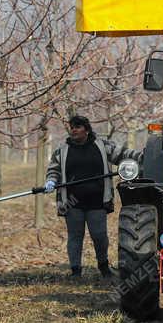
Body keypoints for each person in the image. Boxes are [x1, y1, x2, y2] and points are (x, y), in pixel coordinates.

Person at [44, 115, 139, 278]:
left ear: (86, 130)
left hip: (97, 202)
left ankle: (103, 266)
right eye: (72, 127)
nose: (74, 129)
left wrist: (146, 157)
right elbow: (54, 170)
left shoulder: (102, 146)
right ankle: (75, 270)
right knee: (75, 236)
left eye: (78, 126)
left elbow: (123, 154)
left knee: (99, 236)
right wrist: (51, 181)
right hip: (72, 203)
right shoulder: (62, 151)